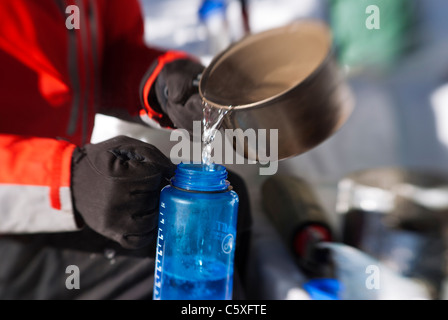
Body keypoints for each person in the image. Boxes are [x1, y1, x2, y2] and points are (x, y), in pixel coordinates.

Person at [0, 0, 251, 299]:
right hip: (16, 215)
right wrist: (71, 180)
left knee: (227, 205)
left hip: (60, 194)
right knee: (161, 274)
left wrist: (157, 83)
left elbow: (100, 56)